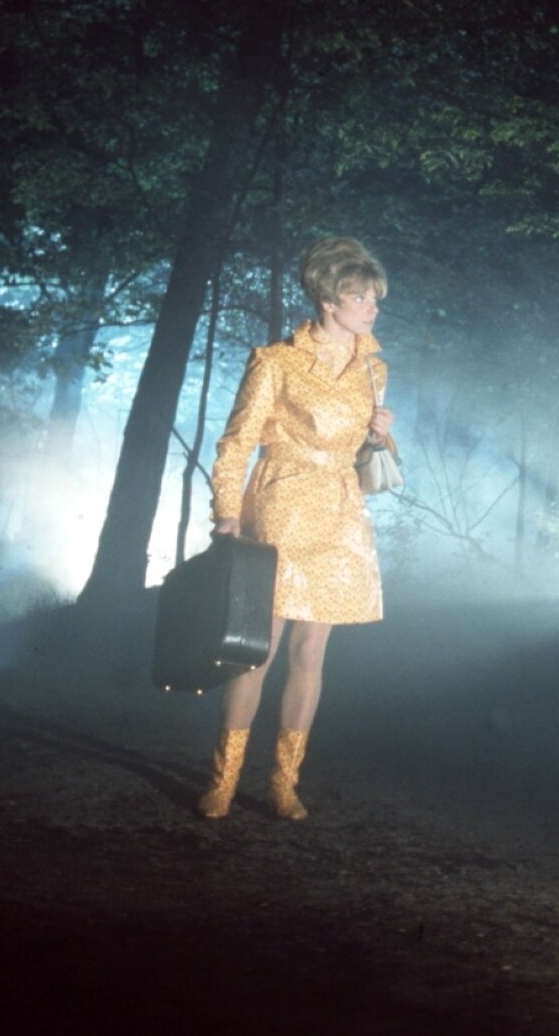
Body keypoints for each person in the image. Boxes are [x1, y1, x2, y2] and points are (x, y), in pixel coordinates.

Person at [195, 237, 395, 818]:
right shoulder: (276, 362)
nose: (372, 307)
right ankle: (223, 780)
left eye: (374, 297)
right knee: (256, 650)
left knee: (312, 653)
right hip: (282, 506)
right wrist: (226, 514)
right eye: (361, 297)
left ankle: (284, 783)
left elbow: (372, 459)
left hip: (339, 513)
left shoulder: (373, 367)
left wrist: (381, 433)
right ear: (329, 301)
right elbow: (236, 445)